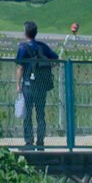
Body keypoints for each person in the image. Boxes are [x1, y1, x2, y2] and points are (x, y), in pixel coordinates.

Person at [15, 19, 58, 153]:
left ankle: (29, 141)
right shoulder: (42, 47)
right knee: (41, 114)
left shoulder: (23, 48)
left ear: (25, 33)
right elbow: (56, 59)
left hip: (28, 84)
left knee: (27, 114)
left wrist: (18, 85)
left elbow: (20, 68)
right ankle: (40, 142)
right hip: (41, 85)